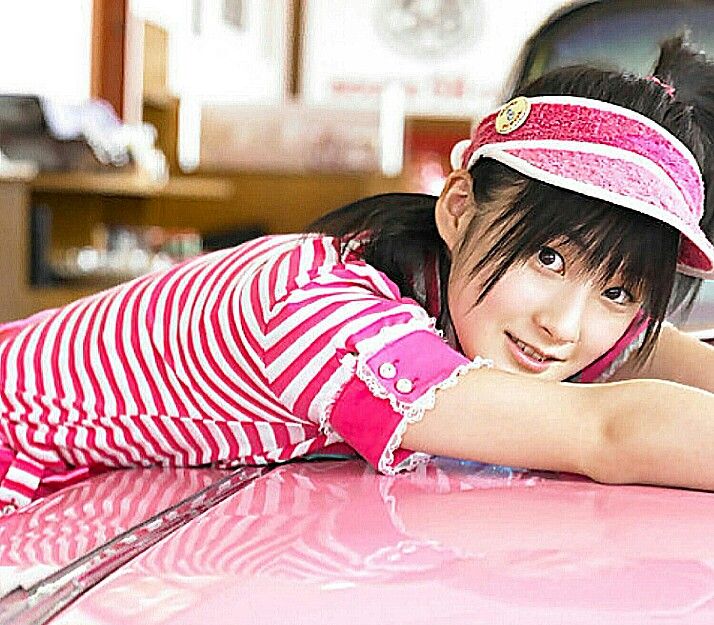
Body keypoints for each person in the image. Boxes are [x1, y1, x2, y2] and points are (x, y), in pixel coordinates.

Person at [1, 35, 714, 518]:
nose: (564, 325)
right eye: (547, 258)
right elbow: (607, 431)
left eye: (616, 291)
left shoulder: (461, 293)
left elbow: (651, 356)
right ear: (459, 210)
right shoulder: (325, 309)